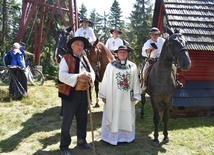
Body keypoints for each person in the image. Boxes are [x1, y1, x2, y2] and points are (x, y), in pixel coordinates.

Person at [58, 36, 95, 155]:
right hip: (70, 94)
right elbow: (62, 76)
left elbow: (92, 72)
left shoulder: (85, 59)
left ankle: (81, 140)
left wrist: (90, 77)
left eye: (82, 45)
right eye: (77, 45)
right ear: (72, 46)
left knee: (82, 119)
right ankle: (64, 146)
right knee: (67, 121)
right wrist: (78, 76)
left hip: (84, 93)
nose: (80, 47)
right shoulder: (66, 58)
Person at [99, 45, 141, 145]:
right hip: (113, 98)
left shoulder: (132, 66)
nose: (122, 53)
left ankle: (126, 137)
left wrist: (136, 94)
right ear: (117, 54)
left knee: (126, 115)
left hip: (127, 98)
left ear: (127, 54)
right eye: (120, 52)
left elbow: (135, 81)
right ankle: (111, 138)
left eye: (125, 52)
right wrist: (104, 95)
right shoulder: (111, 66)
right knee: (113, 115)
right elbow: (105, 80)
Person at [141, 27, 165, 93]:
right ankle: (144, 84)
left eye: (156, 34)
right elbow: (145, 51)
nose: (154, 36)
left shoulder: (162, 41)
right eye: (153, 34)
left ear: (158, 35)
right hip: (151, 61)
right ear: (150, 35)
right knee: (144, 71)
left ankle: (176, 81)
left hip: (161, 61)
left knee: (173, 66)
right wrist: (150, 49)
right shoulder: (148, 42)